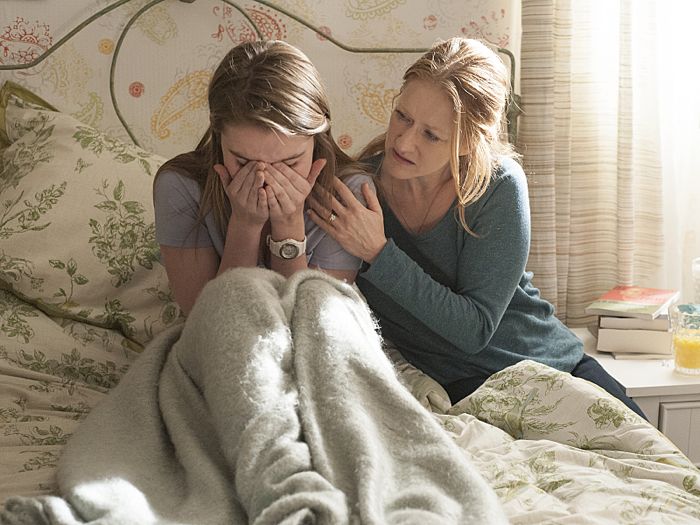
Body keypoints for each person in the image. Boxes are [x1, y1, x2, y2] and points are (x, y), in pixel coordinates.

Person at [307, 37, 646, 418]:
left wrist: (380, 253)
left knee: (654, 452)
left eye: (430, 134)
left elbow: (475, 330)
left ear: (469, 142)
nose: (403, 141)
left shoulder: (497, 185)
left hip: (547, 365)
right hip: (459, 389)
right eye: (402, 115)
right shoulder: (357, 193)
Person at [154, 40, 371, 315]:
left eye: (289, 162)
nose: (265, 179)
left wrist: (289, 225)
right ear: (219, 138)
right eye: (243, 162)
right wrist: (245, 224)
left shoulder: (347, 195)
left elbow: (307, 323)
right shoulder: (180, 186)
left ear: (318, 139)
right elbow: (207, 320)